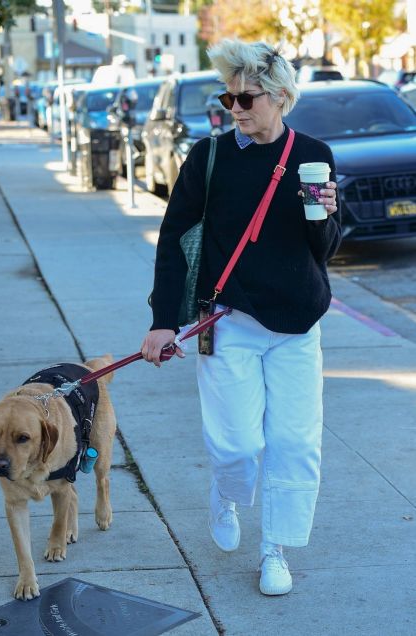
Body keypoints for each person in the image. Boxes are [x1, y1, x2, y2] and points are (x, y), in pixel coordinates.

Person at [141, 38, 341, 596]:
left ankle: (275, 548)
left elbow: (326, 249)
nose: (235, 109)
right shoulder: (208, 158)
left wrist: (322, 216)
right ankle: (227, 493)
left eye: (246, 99)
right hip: (226, 321)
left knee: (295, 442)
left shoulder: (313, 153)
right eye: (228, 99)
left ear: (279, 97)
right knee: (236, 445)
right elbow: (174, 236)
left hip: (298, 323)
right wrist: (163, 319)